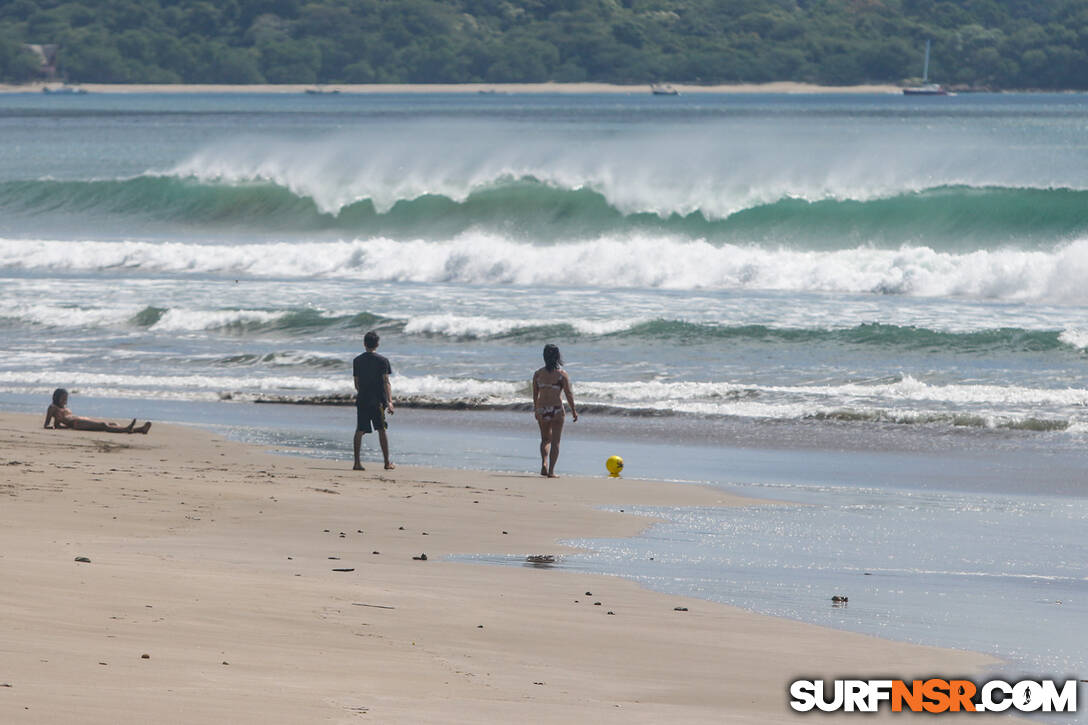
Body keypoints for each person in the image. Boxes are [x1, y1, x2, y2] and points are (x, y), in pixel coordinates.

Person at [532, 343, 577, 477]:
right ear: (557, 356)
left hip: (542, 409)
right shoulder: (562, 374)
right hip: (556, 409)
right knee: (556, 442)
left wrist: (536, 409)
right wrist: (573, 410)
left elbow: (535, 394)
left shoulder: (538, 374)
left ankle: (544, 463)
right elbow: (569, 394)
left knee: (545, 439)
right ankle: (551, 471)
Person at [352, 330, 395, 471]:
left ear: (364, 344)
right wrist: (389, 401)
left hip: (363, 399)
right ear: (377, 344)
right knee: (382, 429)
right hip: (378, 401)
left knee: (359, 430)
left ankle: (357, 463)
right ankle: (386, 462)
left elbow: (356, 383)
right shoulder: (383, 361)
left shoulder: (357, 360)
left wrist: (363, 393)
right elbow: (386, 382)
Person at [43, 388, 151, 434]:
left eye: (66, 398)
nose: (65, 400)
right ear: (57, 397)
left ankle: (139, 430)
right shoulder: (53, 407)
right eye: (63, 398)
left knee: (112, 423)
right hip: (76, 423)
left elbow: (58, 425)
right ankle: (127, 429)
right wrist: (52, 427)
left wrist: (61, 427)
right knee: (104, 425)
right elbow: (47, 424)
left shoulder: (64, 408)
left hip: (80, 420)